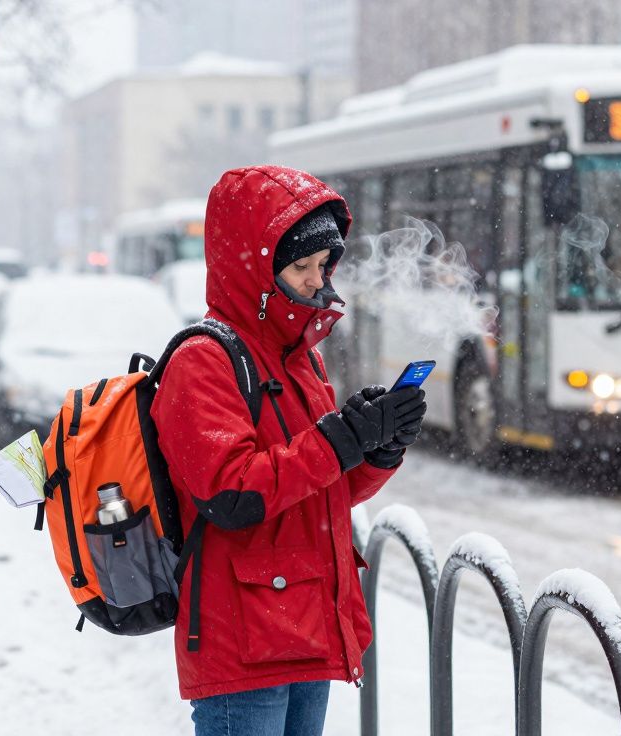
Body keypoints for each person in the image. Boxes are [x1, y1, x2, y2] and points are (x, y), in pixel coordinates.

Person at [150, 166, 427, 736]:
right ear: (252, 269)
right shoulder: (203, 360)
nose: (314, 280)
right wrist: (340, 439)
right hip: (245, 636)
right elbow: (233, 493)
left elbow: (322, 490)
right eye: (299, 266)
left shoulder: (299, 356)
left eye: (322, 266)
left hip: (304, 622)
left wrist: (376, 449)